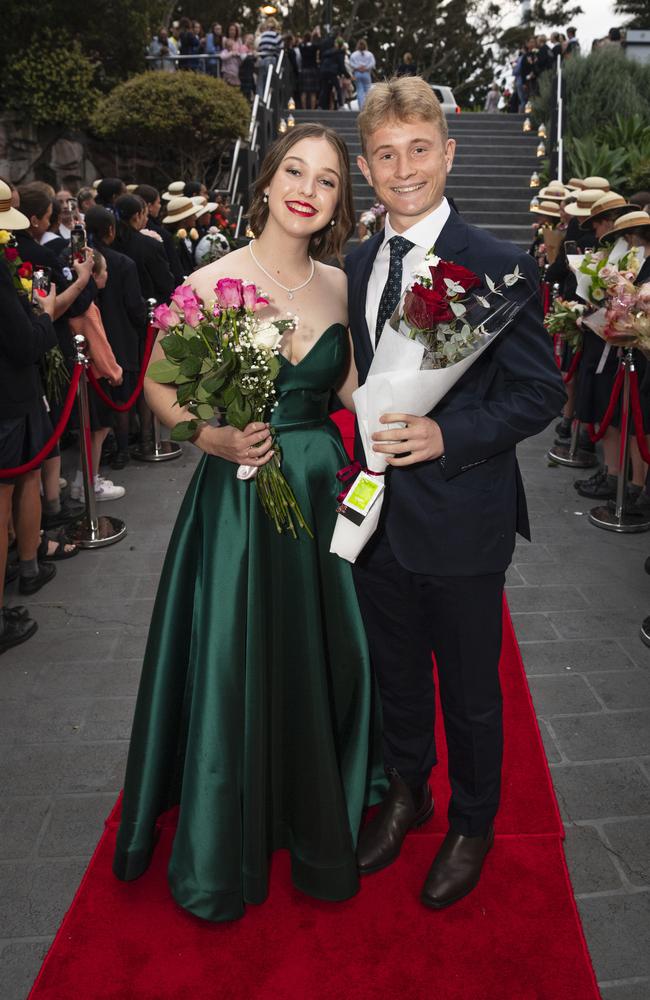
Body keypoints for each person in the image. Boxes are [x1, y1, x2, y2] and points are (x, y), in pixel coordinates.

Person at [113, 123, 384, 922]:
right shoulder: (212, 277)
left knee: (315, 653)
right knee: (238, 657)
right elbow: (161, 384)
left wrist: (423, 407)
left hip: (317, 493)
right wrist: (209, 433)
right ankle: (226, 822)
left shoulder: (342, 286)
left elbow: (355, 397)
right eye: (294, 171)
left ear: (338, 201)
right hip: (237, 499)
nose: (307, 188)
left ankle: (311, 798)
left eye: (327, 179)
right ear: (265, 182)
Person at [346, 77, 565, 909]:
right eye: (386, 155)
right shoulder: (361, 259)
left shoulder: (500, 265)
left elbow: (539, 394)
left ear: (449, 152)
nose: (405, 169)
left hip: (464, 515)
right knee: (396, 674)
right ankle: (410, 790)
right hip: (379, 517)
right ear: (368, 167)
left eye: (419, 150)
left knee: (472, 691)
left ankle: (474, 821)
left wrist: (449, 435)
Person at [0, 198, 60, 654]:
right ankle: (24, 574)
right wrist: (44, 314)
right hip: (8, 401)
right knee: (8, 496)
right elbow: (23, 344)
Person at [85, 206, 149, 472]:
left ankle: (114, 445)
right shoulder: (122, 263)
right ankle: (124, 448)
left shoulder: (79, 259)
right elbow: (135, 307)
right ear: (111, 230)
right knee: (122, 396)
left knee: (103, 399)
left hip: (89, 337)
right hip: (120, 335)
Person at [256, 16, 282, 96]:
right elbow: (280, 48)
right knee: (270, 82)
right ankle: (269, 98)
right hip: (271, 59)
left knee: (261, 81)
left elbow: (259, 46)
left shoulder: (262, 35)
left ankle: (260, 98)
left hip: (262, 59)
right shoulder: (276, 35)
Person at [350, 39, 375, 110]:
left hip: (357, 73)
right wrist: (366, 68)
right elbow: (372, 63)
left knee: (359, 90)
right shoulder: (369, 54)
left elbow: (351, 63)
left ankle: (361, 107)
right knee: (367, 90)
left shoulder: (354, 54)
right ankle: (368, 107)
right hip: (366, 73)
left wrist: (358, 68)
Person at [298, 31, 320, 109]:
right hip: (313, 69)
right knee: (313, 92)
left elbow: (299, 44)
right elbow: (318, 45)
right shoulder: (314, 47)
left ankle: (304, 108)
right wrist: (316, 35)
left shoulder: (302, 47)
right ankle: (312, 108)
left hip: (304, 69)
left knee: (303, 91)